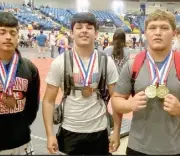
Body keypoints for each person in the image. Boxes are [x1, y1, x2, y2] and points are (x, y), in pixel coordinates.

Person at [111, 9, 180, 155]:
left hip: (176, 148)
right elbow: (116, 99)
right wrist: (129, 105)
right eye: (152, 28)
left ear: (173, 34)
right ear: (145, 34)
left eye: (164, 28)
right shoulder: (133, 65)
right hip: (138, 147)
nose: (157, 32)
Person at [42, 12, 122, 155]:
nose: (84, 30)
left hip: (100, 131)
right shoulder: (60, 62)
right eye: (79, 27)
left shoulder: (106, 62)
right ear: (72, 33)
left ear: (96, 34)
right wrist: (49, 134)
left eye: (89, 27)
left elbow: (116, 99)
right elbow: (48, 101)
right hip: (69, 131)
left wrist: (116, 131)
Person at [0, 12, 40, 155]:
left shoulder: (29, 68)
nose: (8, 37)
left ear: (18, 35)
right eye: (2, 32)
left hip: (22, 142)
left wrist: (22, 126)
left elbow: (33, 106)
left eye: (13, 32)